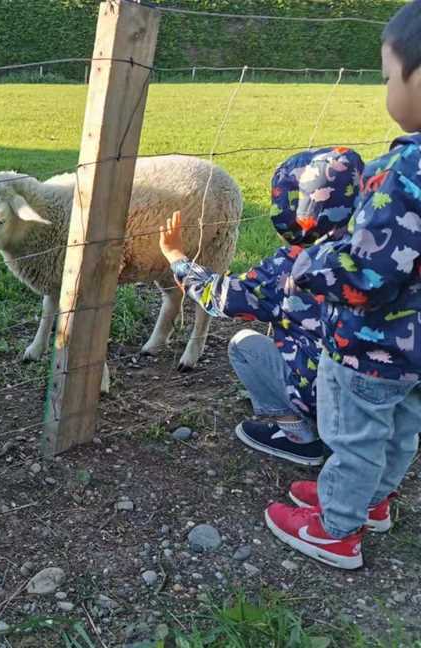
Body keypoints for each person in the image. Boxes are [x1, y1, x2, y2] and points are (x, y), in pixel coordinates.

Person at [264, 0, 421, 570]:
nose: (386, 91)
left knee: (355, 435)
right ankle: (370, 503)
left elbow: (369, 272)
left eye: (387, 77)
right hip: (417, 348)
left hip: (374, 346)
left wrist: (316, 266)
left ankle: (336, 529)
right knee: (402, 429)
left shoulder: (406, 172)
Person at [158, 147, 364, 466]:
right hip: (375, 395)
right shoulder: (381, 256)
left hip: (324, 394)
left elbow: (222, 297)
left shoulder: (287, 268)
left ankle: (299, 435)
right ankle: (369, 435)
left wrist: (177, 258)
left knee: (244, 345)